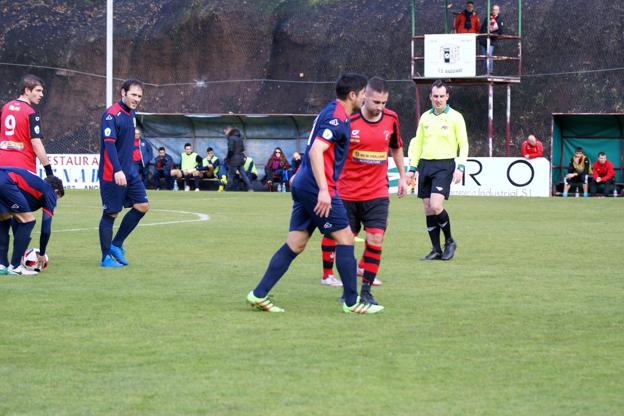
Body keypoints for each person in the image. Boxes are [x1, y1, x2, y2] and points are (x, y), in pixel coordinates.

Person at [246, 73, 383, 314]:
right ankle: (352, 303)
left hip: (304, 183)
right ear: (352, 95)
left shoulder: (329, 110)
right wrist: (323, 190)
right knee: (345, 238)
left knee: (296, 243)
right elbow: (316, 151)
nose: (364, 98)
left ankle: (258, 294)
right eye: (363, 93)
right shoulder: (337, 118)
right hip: (316, 187)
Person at [319, 77, 408, 306]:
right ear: (364, 96)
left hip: (377, 192)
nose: (380, 107)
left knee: (375, 239)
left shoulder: (391, 119)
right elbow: (328, 152)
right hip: (347, 193)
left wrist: (403, 177)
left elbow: (396, 147)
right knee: (344, 242)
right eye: (376, 101)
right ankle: (348, 290)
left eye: (384, 102)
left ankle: (366, 290)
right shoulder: (348, 119)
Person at [406, 79, 469, 261]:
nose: (439, 100)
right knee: (427, 209)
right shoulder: (425, 117)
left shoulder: (456, 117)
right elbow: (417, 144)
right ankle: (435, 249)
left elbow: (463, 144)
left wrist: (461, 167)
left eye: (442, 96)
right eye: (435, 96)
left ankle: (449, 241)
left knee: (436, 205)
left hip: (444, 165)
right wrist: (412, 168)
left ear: (447, 97)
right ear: (431, 97)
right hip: (425, 164)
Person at [98, 79, 150, 268]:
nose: (136, 99)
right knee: (111, 213)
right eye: (133, 95)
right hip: (112, 173)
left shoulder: (131, 113)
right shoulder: (111, 115)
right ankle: (105, 258)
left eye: (139, 96)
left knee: (143, 205)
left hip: (129, 172)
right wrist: (117, 170)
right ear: (123, 93)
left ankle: (116, 244)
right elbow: (109, 144)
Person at [0, 167, 64, 276]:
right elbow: (45, 229)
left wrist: (20, 250)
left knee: (4, 219)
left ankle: (2, 264)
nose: (54, 202)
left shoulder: (35, 186)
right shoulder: (49, 191)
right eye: (57, 198)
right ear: (56, 191)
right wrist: (42, 253)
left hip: (3, 178)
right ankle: (15, 267)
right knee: (29, 221)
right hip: (5, 181)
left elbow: (17, 221)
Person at [0, 74, 57, 179]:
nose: (41, 95)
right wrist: (49, 172)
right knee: (40, 195)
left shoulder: (5, 107)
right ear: (27, 91)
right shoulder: (31, 113)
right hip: (22, 166)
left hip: (2, 165)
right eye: (38, 91)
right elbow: (36, 144)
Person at [224, 127, 253, 192]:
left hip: (234, 159)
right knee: (244, 175)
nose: (225, 133)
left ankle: (227, 189)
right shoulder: (240, 138)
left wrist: (228, 158)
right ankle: (250, 188)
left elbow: (230, 150)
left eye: (225, 132)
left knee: (231, 175)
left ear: (229, 131)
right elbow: (242, 149)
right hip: (240, 159)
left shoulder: (231, 138)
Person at [479, 4, 503, 74]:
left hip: (491, 40)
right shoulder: (488, 18)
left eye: (496, 10)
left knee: (489, 55)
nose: (494, 11)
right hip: (484, 40)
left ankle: (490, 71)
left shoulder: (500, 20)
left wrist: (492, 34)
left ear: (498, 11)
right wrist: (480, 37)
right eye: (493, 9)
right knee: (484, 57)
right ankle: (486, 72)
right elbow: (482, 28)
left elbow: (500, 31)